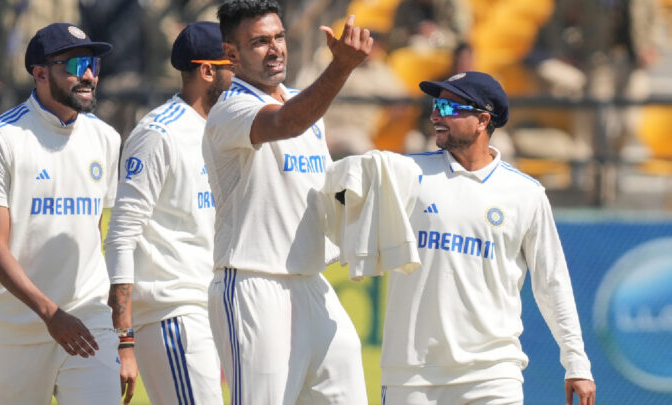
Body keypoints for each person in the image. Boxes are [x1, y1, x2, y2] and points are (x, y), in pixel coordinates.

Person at [379, 71, 596, 405]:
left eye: (449, 108)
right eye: (436, 105)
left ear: (482, 120)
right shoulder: (404, 173)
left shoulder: (526, 193)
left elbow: (552, 283)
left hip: (493, 377)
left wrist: (577, 363)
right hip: (412, 377)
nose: (436, 115)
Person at [202, 1, 373, 403]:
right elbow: (285, 122)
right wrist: (342, 66)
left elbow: (324, 189)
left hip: (312, 284)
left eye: (278, 36)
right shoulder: (229, 110)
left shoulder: (303, 103)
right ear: (232, 54)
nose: (275, 48)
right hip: (252, 284)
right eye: (259, 42)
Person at [0, 23, 121, 405]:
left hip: (89, 322)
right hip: (16, 330)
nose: (89, 74)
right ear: (40, 73)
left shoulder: (106, 138)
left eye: (94, 64)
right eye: (77, 64)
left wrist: (121, 335)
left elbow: (93, 233)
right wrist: (51, 314)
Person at [104, 21, 233, 405]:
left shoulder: (224, 130)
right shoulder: (159, 133)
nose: (242, 74)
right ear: (207, 70)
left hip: (209, 311)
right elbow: (120, 235)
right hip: (172, 315)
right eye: (234, 64)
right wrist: (124, 340)